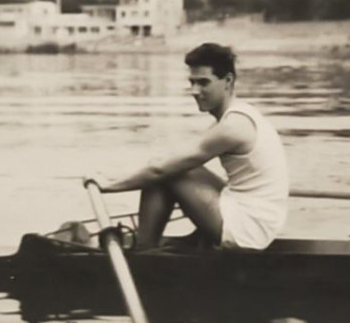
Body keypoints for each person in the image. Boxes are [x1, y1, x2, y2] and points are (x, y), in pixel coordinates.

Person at [91, 43, 288, 250]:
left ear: (227, 81)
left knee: (167, 171)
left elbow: (159, 169)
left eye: (203, 83)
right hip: (258, 218)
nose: (194, 91)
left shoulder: (233, 126)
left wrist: (109, 185)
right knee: (171, 166)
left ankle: (143, 254)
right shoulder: (239, 115)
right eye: (192, 82)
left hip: (250, 230)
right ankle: (164, 244)